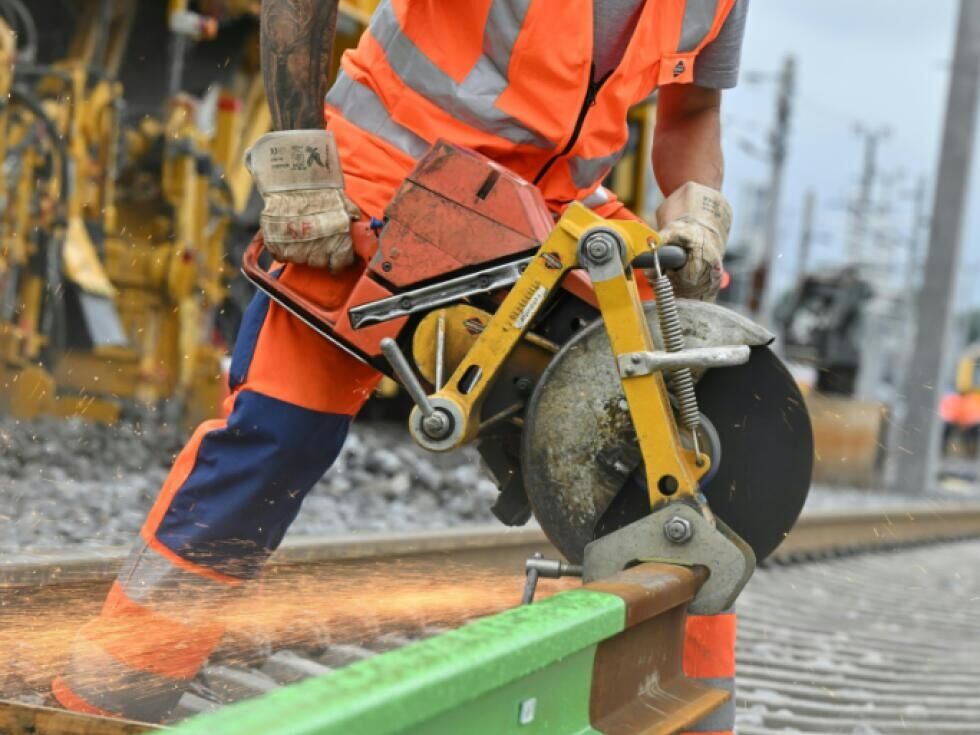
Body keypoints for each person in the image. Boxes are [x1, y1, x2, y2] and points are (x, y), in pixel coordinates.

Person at [53, 1, 747, 730]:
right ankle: (107, 699)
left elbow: (692, 110)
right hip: (389, 172)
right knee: (276, 439)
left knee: (700, 427)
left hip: (555, 210)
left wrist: (696, 208)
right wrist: (301, 159)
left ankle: (690, 720)